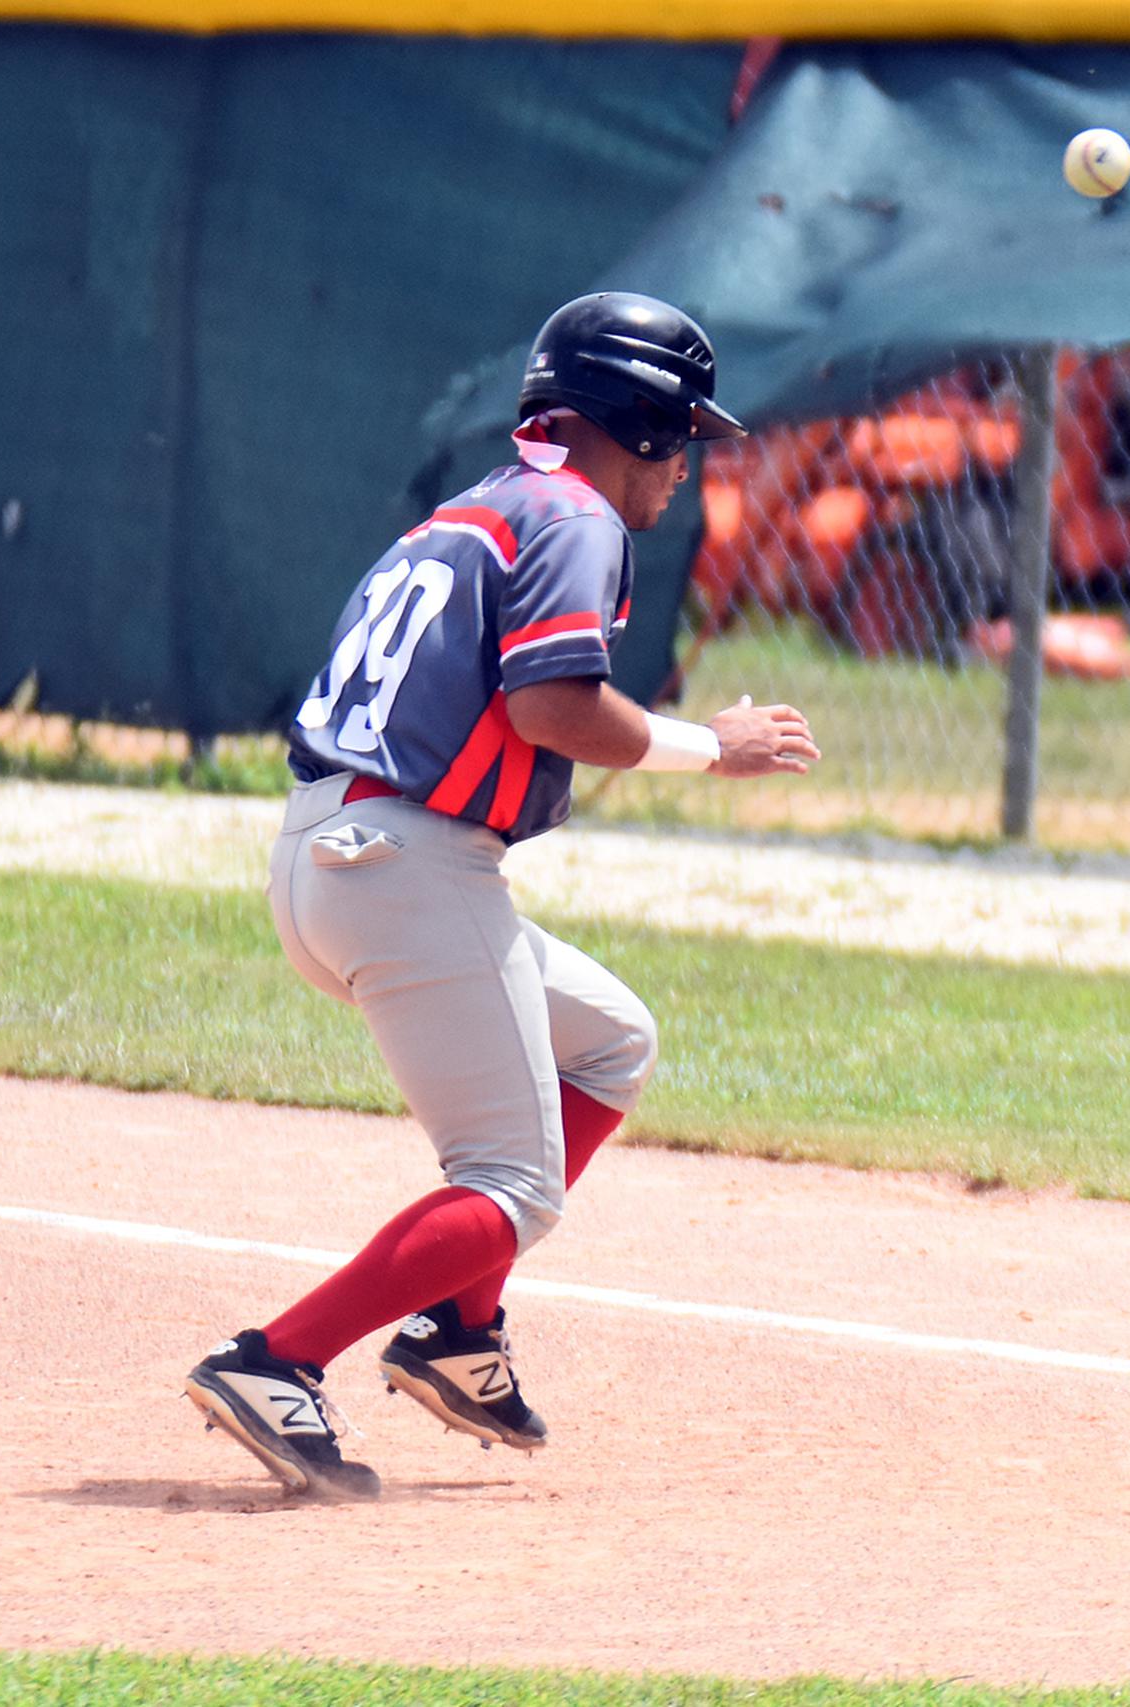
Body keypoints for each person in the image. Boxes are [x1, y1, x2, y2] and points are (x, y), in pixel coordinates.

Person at [182, 293, 818, 1499]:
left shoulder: (471, 511)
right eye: (678, 432)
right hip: (409, 867)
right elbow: (551, 708)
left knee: (614, 1041)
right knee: (513, 1183)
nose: (682, 463)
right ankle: (276, 1359)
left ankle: (458, 1330)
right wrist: (709, 748)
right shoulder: (578, 516)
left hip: (335, 851)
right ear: (626, 420)